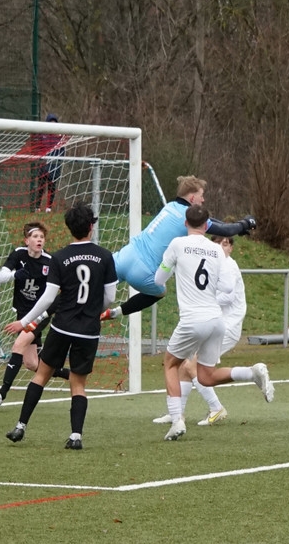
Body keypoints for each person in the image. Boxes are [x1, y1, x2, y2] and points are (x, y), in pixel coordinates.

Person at [153, 205, 274, 441]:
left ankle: (177, 419)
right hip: (217, 321)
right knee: (205, 376)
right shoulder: (217, 250)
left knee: (170, 364)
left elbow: (159, 279)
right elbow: (227, 287)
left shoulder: (177, 244)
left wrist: (176, 270)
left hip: (193, 319)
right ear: (207, 225)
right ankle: (251, 373)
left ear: (185, 224)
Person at [3, 203, 118, 449]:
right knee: (78, 384)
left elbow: (47, 298)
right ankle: (76, 436)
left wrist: (24, 322)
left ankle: (20, 426)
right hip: (88, 330)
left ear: (69, 228)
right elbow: (109, 297)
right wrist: (92, 311)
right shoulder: (105, 256)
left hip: (62, 327)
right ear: (91, 226)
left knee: (41, 375)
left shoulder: (59, 257)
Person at [100, 175, 256, 320]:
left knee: (95, 292)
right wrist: (245, 223)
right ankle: (116, 312)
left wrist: (239, 227)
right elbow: (225, 230)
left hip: (125, 255)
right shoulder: (186, 216)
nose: (203, 200)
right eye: (201, 195)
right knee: (160, 293)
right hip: (143, 272)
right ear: (192, 197)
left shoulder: (170, 206)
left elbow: (214, 222)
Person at [152, 234, 245, 426]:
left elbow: (228, 296)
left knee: (191, 367)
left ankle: (216, 406)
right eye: (217, 242)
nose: (221, 247)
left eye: (225, 243)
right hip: (211, 321)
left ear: (231, 247)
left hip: (226, 325)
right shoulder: (212, 259)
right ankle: (177, 413)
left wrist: (201, 300)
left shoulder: (229, 265)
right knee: (184, 365)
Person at [0, 222, 70, 410]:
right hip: (23, 312)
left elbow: (63, 288)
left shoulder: (50, 261)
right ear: (27, 240)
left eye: (42, 237)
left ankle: (1, 394)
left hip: (40, 313)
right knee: (31, 363)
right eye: (35, 236)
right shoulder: (19, 254)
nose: (39, 240)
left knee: (18, 345)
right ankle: (70, 375)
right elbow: (0, 277)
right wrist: (16, 275)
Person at [34, 113, 64, 212]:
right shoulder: (42, 135)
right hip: (43, 164)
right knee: (41, 187)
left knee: (52, 187)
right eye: (51, 122)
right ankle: (37, 207)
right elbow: (37, 147)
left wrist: (58, 162)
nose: (52, 125)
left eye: (54, 123)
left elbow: (62, 151)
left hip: (54, 165)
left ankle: (48, 208)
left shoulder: (59, 137)